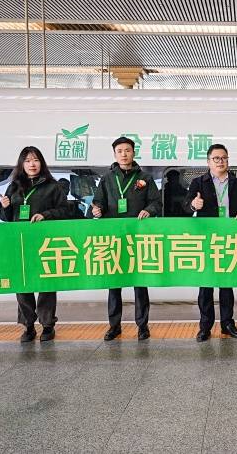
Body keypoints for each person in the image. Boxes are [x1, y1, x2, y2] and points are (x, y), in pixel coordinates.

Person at [92, 137, 162, 341]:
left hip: (137, 237)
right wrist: (97, 210)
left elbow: (156, 202)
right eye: (120, 151)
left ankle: (142, 325)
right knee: (114, 283)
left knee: (140, 283)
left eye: (127, 150)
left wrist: (149, 210)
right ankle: (114, 326)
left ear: (134, 152)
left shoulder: (145, 178)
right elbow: (98, 202)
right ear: (115, 154)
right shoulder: (107, 179)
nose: (124, 154)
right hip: (114, 238)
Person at [0, 147, 68, 343]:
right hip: (20, 243)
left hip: (45, 242)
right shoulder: (13, 187)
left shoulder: (53, 186)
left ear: (41, 163)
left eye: (35, 160)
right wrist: (4, 207)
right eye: (27, 161)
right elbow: (5, 217)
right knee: (23, 283)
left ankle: (47, 325)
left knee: (46, 283)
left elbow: (65, 211)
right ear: (22, 164)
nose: (32, 164)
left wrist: (45, 215)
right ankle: (28, 326)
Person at [183, 144, 237, 342]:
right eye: (216, 158)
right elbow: (185, 207)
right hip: (206, 239)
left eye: (224, 158)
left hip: (228, 239)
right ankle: (205, 326)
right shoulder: (198, 183)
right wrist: (193, 205)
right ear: (208, 162)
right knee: (206, 285)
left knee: (227, 284)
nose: (220, 161)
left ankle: (227, 324)